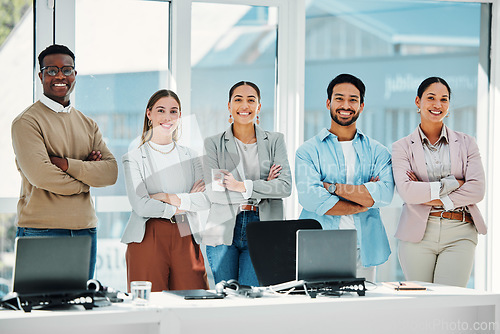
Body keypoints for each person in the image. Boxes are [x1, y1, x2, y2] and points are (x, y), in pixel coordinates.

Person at [11, 44, 118, 279]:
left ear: (75, 75)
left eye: (67, 70)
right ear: (40, 76)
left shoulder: (88, 124)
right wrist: (86, 179)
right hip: (42, 230)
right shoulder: (27, 122)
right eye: (52, 70)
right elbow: (41, 175)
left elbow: (110, 172)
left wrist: (67, 165)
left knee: (78, 310)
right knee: (40, 310)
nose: (60, 76)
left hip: (85, 230)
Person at [295, 73, 394, 282]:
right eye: (339, 98)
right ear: (328, 102)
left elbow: (383, 195)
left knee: (362, 311)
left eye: (353, 100)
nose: (346, 105)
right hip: (320, 243)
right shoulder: (308, 151)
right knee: (321, 309)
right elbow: (310, 198)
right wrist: (362, 200)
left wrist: (332, 188)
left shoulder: (379, 152)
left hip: (365, 246)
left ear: (361, 106)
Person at [392, 77, 486, 287]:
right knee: (421, 303)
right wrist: (455, 183)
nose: (437, 105)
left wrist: (426, 194)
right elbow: (407, 192)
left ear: (449, 105)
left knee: (450, 301)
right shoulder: (402, 147)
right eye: (431, 98)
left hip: (460, 231)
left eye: (444, 99)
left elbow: (477, 190)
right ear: (418, 101)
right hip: (417, 233)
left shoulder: (467, 143)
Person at [202, 81, 292, 287]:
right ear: (229, 106)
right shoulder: (213, 143)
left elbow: (285, 187)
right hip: (223, 227)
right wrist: (263, 188)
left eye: (251, 100)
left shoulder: (275, 141)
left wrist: (241, 186)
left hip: (263, 227)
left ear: (259, 106)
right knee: (225, 294)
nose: (245, 105)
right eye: (238, 99)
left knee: (252, 296)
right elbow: (214, 193)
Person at [121, 89, 210, 292]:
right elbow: (141, 206)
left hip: (186, 234)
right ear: (149, 113)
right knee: (149, 305)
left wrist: (165, 198)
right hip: (147, 236)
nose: (167, 117)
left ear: (180, 116)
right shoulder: (133, 158)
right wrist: (183, 204)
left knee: (193, 300)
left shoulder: (192, 156)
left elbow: (204, 199)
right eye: (161, 110)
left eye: (174, 111)